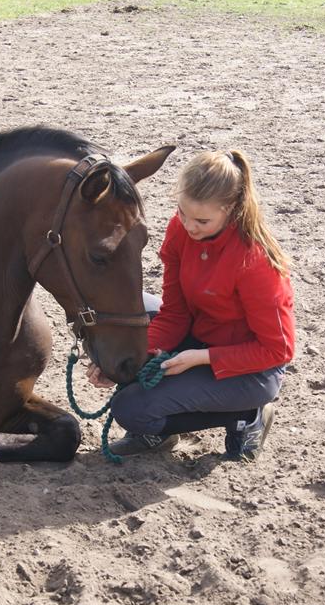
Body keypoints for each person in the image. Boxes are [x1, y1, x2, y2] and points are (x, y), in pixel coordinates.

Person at [87, 149, 295, 461]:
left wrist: (202, 358)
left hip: (252, 369)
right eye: (182, 213)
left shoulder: (255, 260)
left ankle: (247, 415)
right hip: (199, 335)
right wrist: (129, 360)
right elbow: (174, 312)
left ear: (232, 209)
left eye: (202, 220)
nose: (189, 226)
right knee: (115, 325)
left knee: (130, 409)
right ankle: (166, 423)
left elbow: (278, 351)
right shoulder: (180, 230)